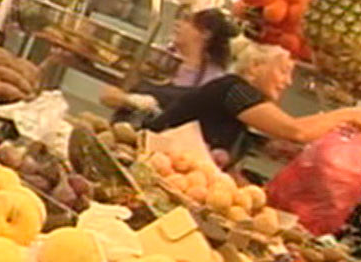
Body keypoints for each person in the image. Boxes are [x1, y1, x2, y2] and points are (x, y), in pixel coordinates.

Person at [144, 41, 361, 163]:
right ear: (255, 66)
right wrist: (350, 114)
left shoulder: (239, 103)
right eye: (283, 71)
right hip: (149, 159)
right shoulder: (234, 89)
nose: (288, 82)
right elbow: (295, 131)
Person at [101, 8, 241, 116]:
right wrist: (130, 101)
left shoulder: (214, 79)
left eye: (187, 21)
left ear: (206, 34)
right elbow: (107, 96)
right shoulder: (156, 58)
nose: (177, 24)